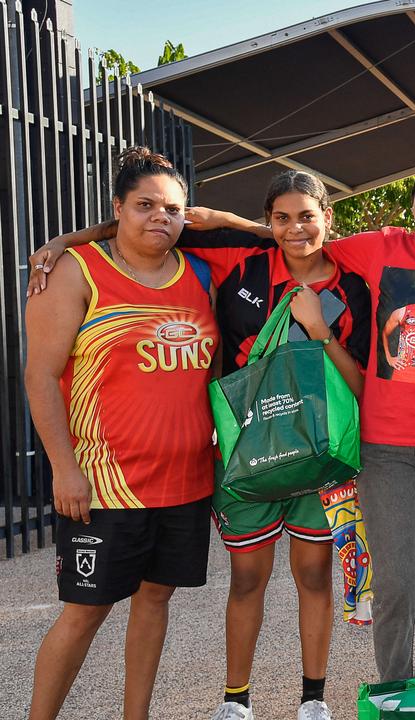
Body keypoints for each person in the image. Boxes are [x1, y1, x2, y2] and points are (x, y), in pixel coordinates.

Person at [148, 157, 415, 683]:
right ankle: (392, 694)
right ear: (413, 201)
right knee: (396, 581)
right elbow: (300, 238)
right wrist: (67, 242)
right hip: (379, 443)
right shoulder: (378, 246)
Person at [31, 170, 373, 720]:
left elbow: (360, 382)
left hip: (275, 463)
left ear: (328, 218)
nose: (294, 228)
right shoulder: (225, 262)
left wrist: (320, 331)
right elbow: (157, 227)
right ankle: (235, 701)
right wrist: (65, 241)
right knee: (103, 608)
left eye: (307, 216)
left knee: (185, 596)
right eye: (280, 217)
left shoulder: (344, 281)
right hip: (190, 467)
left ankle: (311, 700)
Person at [24, 147, 217, 720]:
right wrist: (64, 466)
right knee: (86, 611)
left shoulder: (200, 270)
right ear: (117, 209)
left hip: (185, 480)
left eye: (174, 209)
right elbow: (39, 375)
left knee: (155, 598)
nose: (160, 217)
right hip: (106, 483)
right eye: (145, 206)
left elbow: (273, 234)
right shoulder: (74, 271)